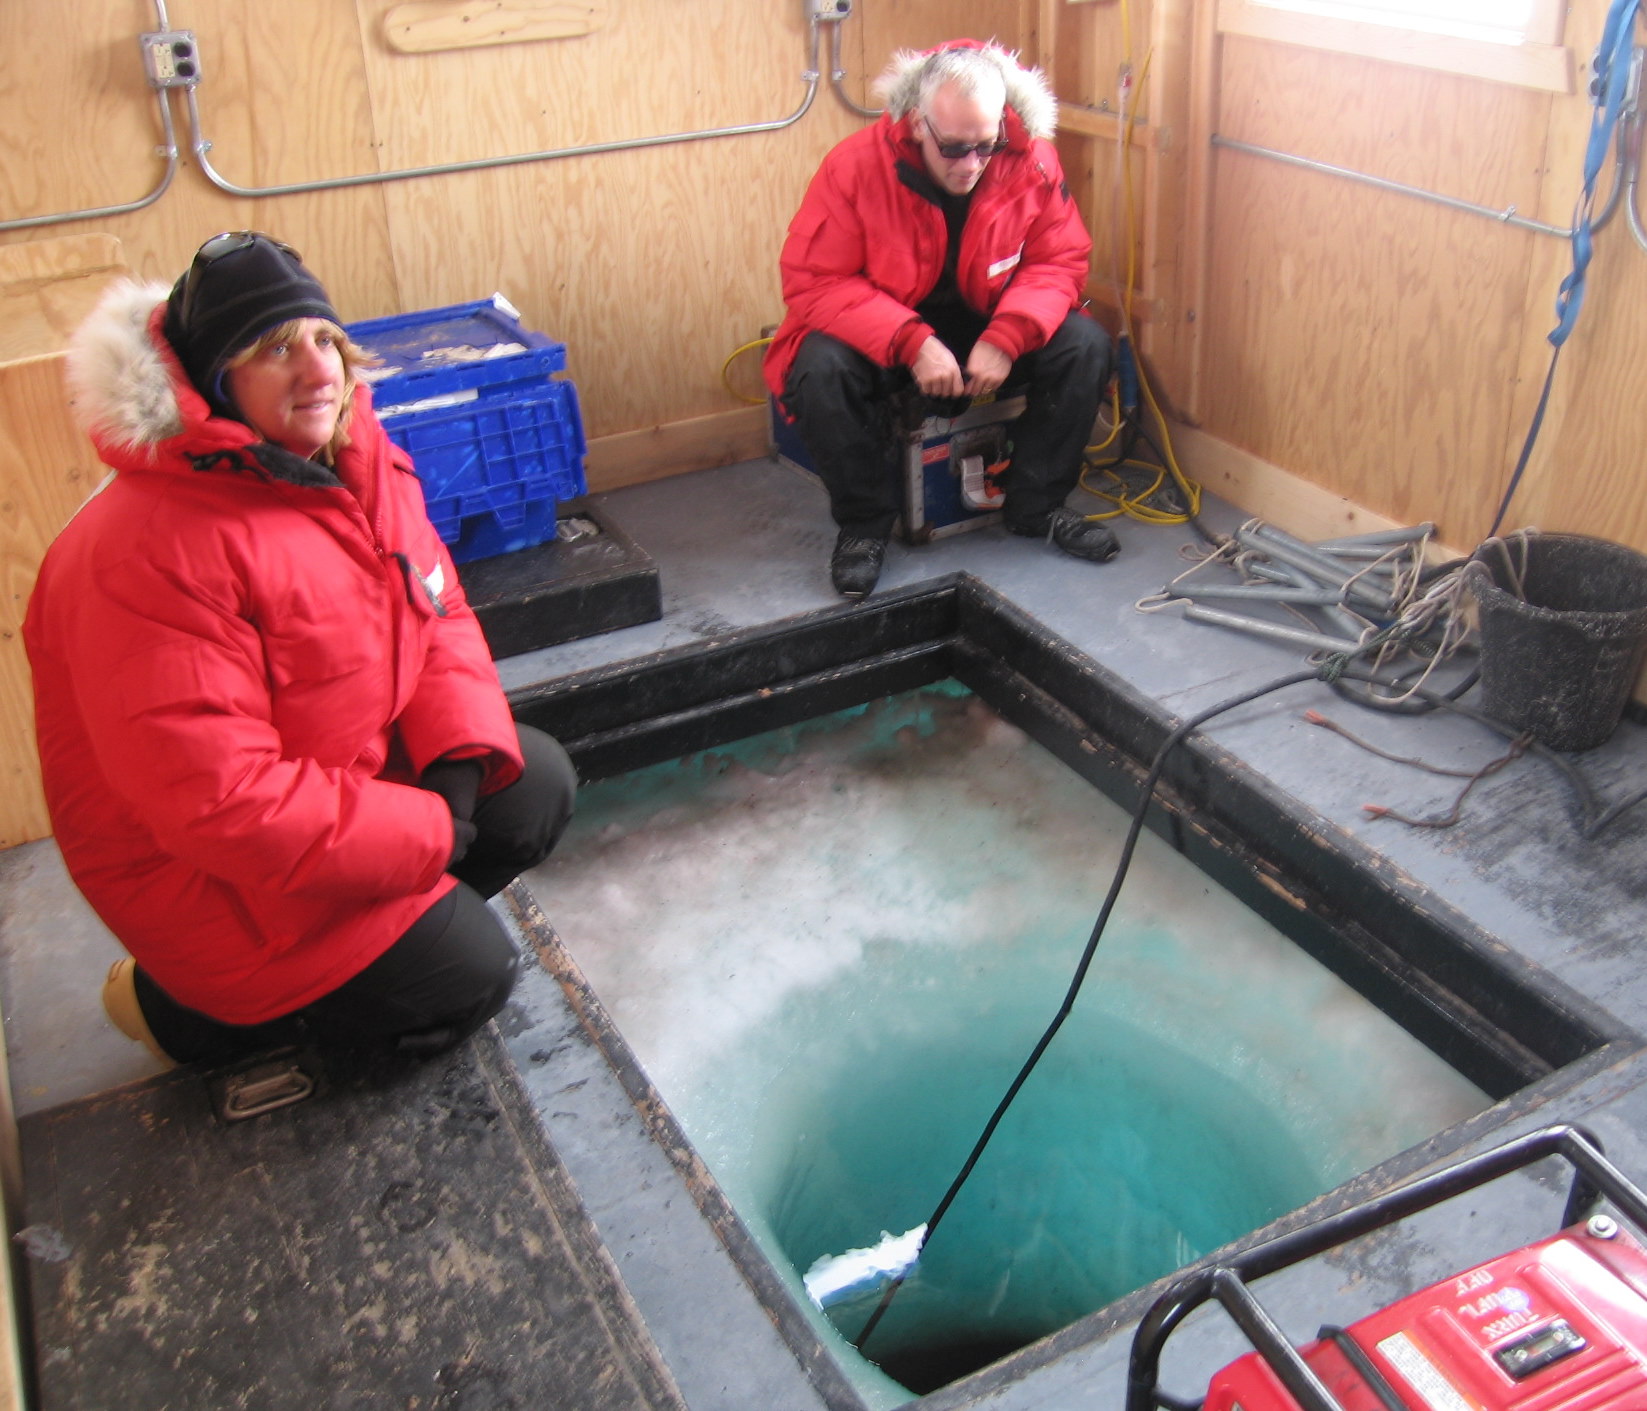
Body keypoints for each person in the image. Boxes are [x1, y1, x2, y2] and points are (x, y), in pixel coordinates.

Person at [24, 232, 577, 1067]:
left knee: (528, 786)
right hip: (211, 879)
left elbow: (437, 612)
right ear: (217, 380)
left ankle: (390, 941)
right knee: (468, 977)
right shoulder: (143, 551)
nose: (319, 370)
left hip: (323, 791)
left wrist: (456, 773)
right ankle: (193, 1014)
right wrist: (422, 831)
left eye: (325, 339)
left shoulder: (348, 459)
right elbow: (222, 803)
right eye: (274, 349)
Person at [765, 39, 1119, 601]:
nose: (972, 166)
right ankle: (864, 526)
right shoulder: (855, 167)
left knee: (1087, 346)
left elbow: (1059, 261)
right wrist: (911, 341)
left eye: (986, 145)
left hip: (989, 322)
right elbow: (816, 281)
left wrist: (1009, 337)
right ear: (918, 124)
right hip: (891, 331)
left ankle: (1037, 507)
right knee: (818, 367)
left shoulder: (1033, 162)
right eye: (953, 148)